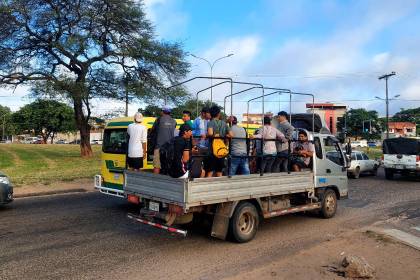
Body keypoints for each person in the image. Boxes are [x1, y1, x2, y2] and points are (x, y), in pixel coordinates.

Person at [205, 106, 233, 177]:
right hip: (221, 150)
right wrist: (224, 135)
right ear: (218, 114)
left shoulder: (210, 123)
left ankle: (208, 187)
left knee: (210, 171)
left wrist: (206, 134)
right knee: (219, 171)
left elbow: (211, 133)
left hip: (212, 150)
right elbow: (231, 135)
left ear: (211, 114)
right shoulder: (224, 123)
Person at [151, 107, 177, 174]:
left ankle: (155, 182)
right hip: (170, 148)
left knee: (157, 166)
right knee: (168, 166)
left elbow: (152, 131)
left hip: (159, 147)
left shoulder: (159, 120)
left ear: (162, 112)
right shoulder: (174, 121)